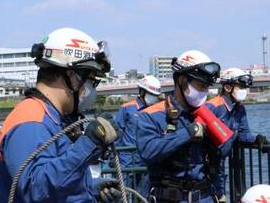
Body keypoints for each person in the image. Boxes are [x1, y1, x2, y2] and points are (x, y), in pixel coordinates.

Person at [0, 27, 122, 203]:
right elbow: (35, 190)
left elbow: (57, 182)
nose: (92, 89)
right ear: (72, 76)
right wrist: (89, 144)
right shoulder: (31, 122)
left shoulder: (53, 119)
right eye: (92, 81)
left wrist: (91, 190)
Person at [136, 50, 232, 202]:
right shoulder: (151, 115)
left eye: (207, 87)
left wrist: (220, 193)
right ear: (181, 81)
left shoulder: (209, 113)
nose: (204, 92)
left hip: (205, 196)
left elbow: (222, 153)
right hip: (168, 198)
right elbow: (148, 152)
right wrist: (188, 133)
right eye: (200, 86)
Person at [206, 68, 268, 202]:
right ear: (227, 87)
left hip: (219, 165)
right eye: (241, 86)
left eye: (245, 87)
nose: (244, 90)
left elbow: (243, 134)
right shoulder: (212, 107)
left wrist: (257, 139)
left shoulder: (239, 108)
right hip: (204, 164)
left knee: (219, 198)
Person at [114, 75, 161, 195]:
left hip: (147, 160)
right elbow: (117, 133)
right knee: (123, 193)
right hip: (127, 160)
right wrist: (114, 156)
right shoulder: (126, 108)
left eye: (155, 95)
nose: (153, 98)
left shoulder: (156, 110)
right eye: (151, 94)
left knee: (143, 195)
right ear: (142, 92)